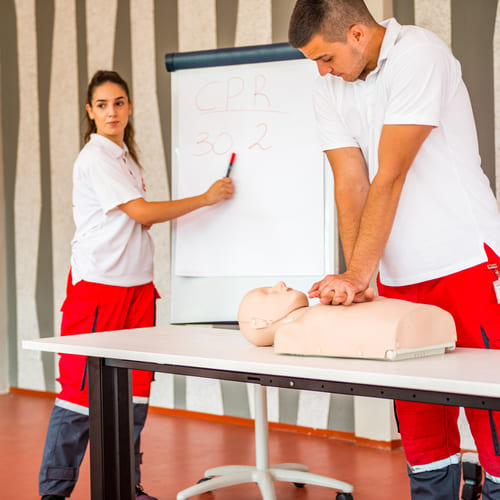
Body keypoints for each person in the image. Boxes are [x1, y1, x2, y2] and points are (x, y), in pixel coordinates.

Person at [288, 0, 500, 498]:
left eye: (326, 57)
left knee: (493, 424)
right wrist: (354, 281)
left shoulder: (419, 55)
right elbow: (350, 182)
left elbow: (390, 173)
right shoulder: (329, 87)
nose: (321, 70)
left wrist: (358, 273)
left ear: (358, 34)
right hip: (401, 277)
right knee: (424, 435)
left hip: (464, 260)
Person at [39, 70, 234, 500]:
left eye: (120, 102)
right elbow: (142, 214)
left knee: (133, 391)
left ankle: (127, 486)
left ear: (129, 107)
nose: (112, 111)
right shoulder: (95, 158)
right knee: (79, 397)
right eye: (103, 105)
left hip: (138, 290)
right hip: (98, 289)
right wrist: (205, 198)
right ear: (90, 112)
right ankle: (54, 492)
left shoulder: (124, 156)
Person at [238, 281, 456, 360]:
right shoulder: (290, 334)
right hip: (407, 330)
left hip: (417, 323)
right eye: (268, 292)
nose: (280, 284)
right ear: (259, 323)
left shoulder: (320, 310)